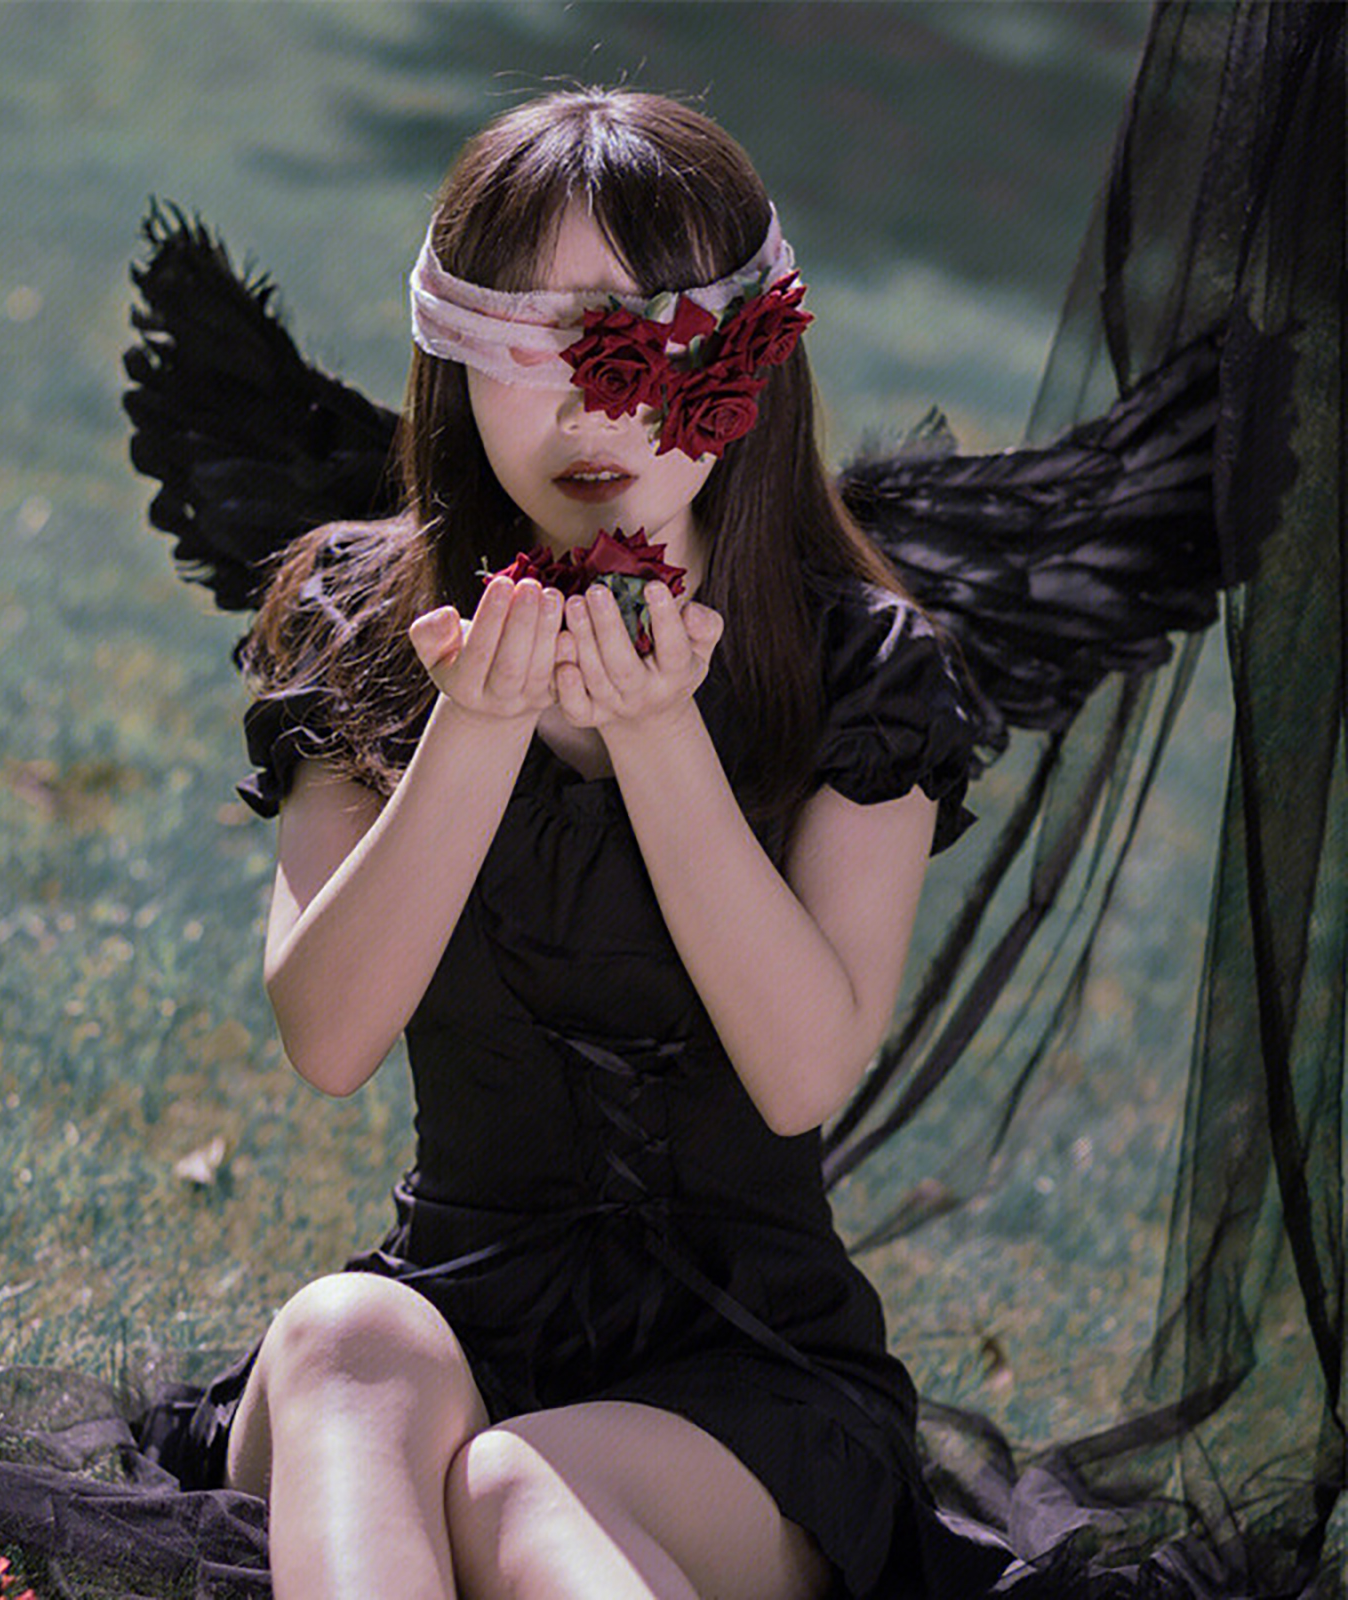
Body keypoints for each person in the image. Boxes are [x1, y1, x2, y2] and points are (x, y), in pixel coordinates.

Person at [152, 88, 1009, 1600]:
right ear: (452, 360)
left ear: (747, 361)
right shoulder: (362, 619)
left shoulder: (859, 667)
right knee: (342, 1336)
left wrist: (662, 735)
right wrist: (473, 728)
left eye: (635, 345)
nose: (588, 411)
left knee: (522, 1483)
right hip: (449, 1307)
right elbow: (330, 1037)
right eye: (528, 348)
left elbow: (805, 1068)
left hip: (748, 1377)